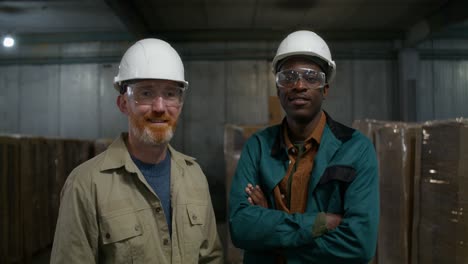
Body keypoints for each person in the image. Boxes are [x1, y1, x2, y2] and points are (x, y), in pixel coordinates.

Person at [51, 38, 223, 264]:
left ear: (180, 104)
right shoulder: (85, 184)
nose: (160, 107)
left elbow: (210, 257)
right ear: (123, 104)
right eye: (146, 93)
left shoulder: (194, 176)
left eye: (170, 94)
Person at [228, 30, 379, 263]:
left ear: (325, 88)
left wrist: (271, 231)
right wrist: (320, 223)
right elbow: (240, 227)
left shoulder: (356, 149)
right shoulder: (257, 147)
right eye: (288, 77)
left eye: (311, 77)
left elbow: (360, 244)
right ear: (278, 89)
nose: (299, 85)